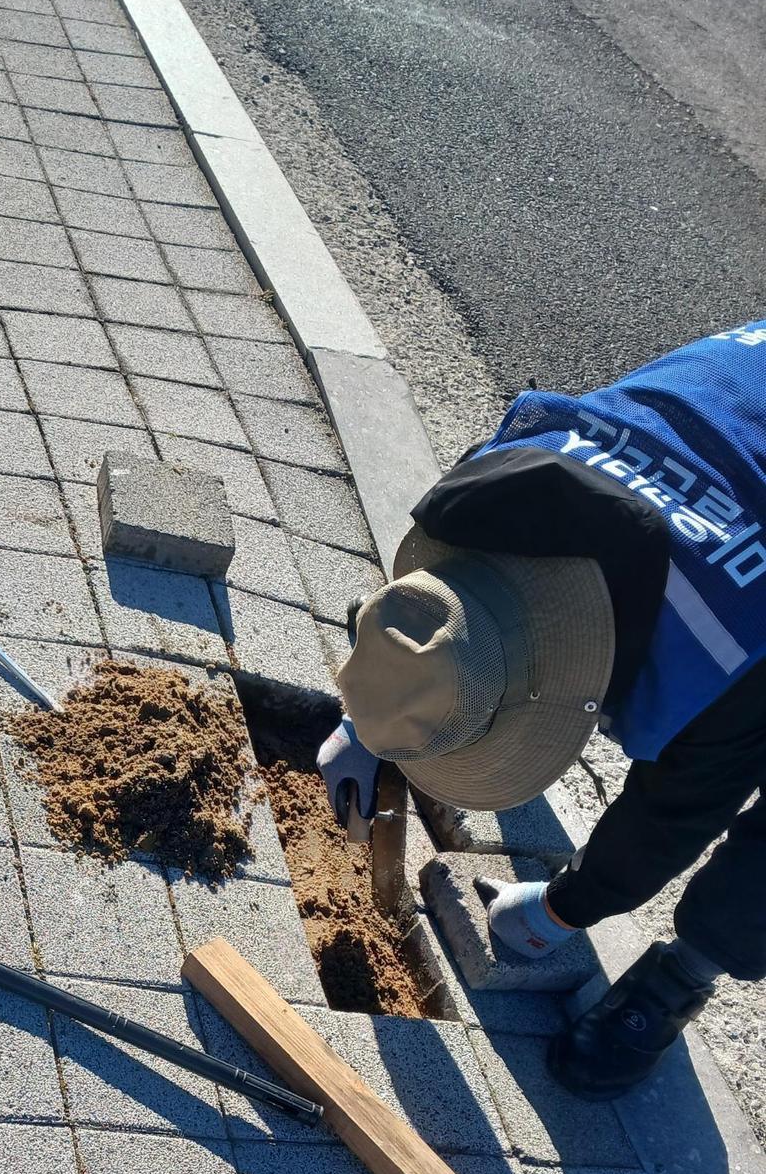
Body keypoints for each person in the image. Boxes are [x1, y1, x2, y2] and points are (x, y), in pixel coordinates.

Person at [317, 321, 766, 1100]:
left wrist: (563, 908)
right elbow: (441, 611)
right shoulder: (487, 490)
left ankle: (684, 975)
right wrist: (369, 717)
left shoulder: (716, 663)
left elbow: (671, 817)